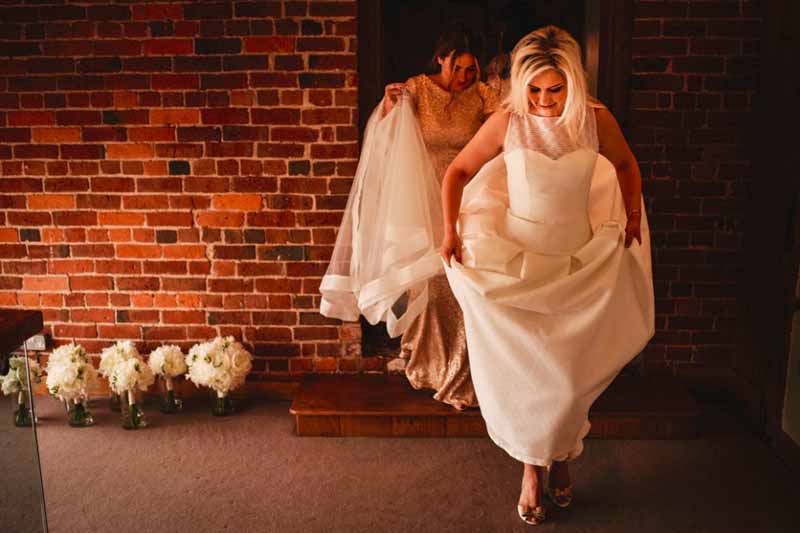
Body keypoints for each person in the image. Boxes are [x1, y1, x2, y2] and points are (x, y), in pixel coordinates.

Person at [439, 26, 655, 525]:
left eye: (553, 89)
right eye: (533, 89)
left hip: (577, 261)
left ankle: (562, 457)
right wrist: (448, 231)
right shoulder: (508, 120)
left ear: (573, 83)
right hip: (517, 262)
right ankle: (534, 469)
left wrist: (634, 218)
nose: (542, 101)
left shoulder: (595, 120)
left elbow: (625, 165)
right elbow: (457, 172)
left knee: (569, 376)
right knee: (529, 375)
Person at [380, 29, 499, 410]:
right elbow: (389, 130)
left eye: (471, 69)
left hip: (466, 194)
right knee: (425, 281)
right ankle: (428, 364)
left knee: (460, 278)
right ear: (441, 60)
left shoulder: (482, 94)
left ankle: (465, 369)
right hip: (421, 192)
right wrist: (388, 105)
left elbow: (504, 129)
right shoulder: (416, 88)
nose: (464, 77)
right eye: (458, 68)